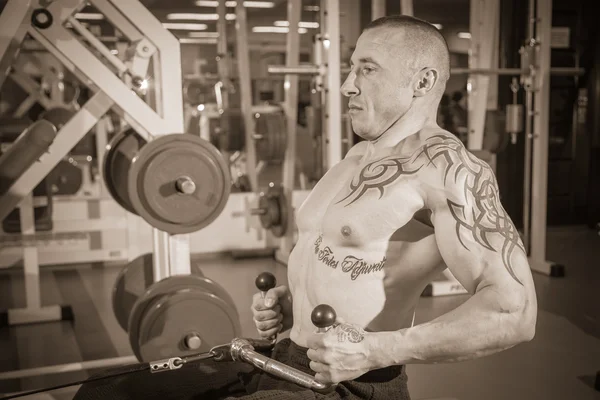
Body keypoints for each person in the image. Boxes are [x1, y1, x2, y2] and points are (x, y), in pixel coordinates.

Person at [73, 15, 537, 400]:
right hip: (285, 358)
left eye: (367, 70)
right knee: (100, 395)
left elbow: (512, 313)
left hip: (349, 385)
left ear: (423, 81)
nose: (346, 85)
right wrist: (292, 300)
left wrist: (377, 350)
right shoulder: (358, 156)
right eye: (351, 68)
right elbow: (353, 258)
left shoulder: (450, 169)